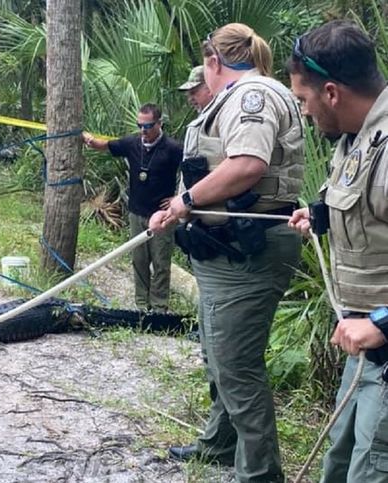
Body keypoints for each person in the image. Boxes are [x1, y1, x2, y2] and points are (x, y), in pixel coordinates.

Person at [149, 23, 305, 482]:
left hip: (248, 251)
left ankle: (259, 474)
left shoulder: (251, 96)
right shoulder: (232, 97)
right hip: (223, 250)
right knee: (216, 351)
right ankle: (221, 443)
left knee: (236, 364)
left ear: (214, 62)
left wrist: (184, 202)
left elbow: (247, 165)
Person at [286, 20, 388, 483]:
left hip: (380, 341)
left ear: (330, 92)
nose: (305, 113)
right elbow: (358, 200)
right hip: (361, 343)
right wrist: (320, 214)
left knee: (371, 470)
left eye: (304, 101)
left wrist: (382, 325)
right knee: (342, 460)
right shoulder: (356, 135)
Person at [83, 104, 183, 312]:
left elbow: (192, 170)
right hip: (137, 212)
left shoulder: (173, 148)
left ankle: (159, 307)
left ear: (159, 123)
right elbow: (108, 146)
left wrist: (179, 197)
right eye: (140, 125)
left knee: (161, 262)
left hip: (162, 215)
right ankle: (141, 305)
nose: (143, 130)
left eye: (148, 126)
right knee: (139, 259)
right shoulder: (132, 143)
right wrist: (91, 141)